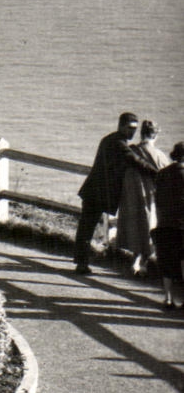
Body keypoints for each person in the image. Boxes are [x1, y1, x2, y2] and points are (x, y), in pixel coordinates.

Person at [74, 112, 141, 275]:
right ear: (121, 126)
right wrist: (158, 173)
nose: (133, 132)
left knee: (86, 227)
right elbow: (135, 160)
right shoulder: (118, 143)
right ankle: (81, 264)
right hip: (96, 193)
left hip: (94, 190)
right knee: (87, 228)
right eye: (130, 128)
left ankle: (81, 261)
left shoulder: (111, 139)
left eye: (136, 129)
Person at [115, 120, 168, 275]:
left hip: (131, 195)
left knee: (135, 228)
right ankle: (142, 263)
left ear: (141, 133)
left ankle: (136, 260)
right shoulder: (159, 155)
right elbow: (166, 176)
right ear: (156, 135)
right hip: (149, 196)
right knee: (149, 228)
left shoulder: (132, 150)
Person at [152, 142, 184, 310]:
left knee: (168, 263)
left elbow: (157, 199)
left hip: (165, 223)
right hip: (182, 225)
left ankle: (168, 298)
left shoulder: (162, 174)